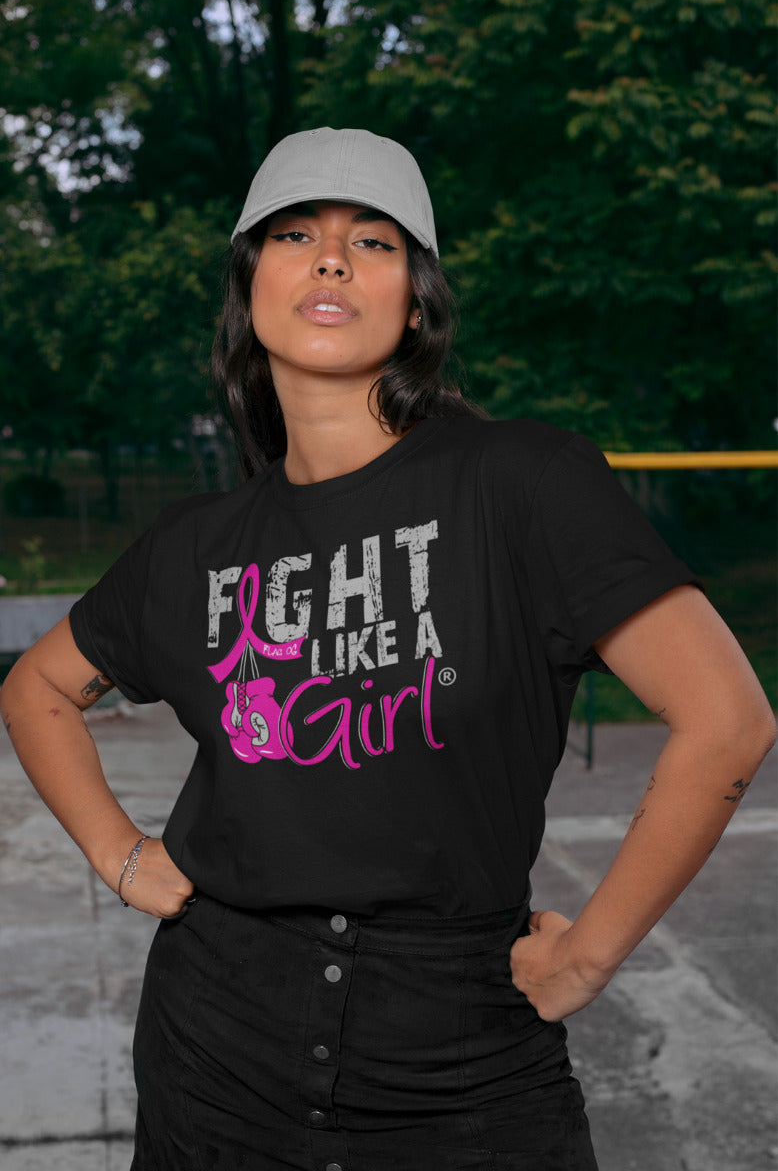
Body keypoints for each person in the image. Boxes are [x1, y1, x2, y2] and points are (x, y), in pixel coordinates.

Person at [1, 127, 774, 1171]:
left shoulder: (524, 484)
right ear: (250, 287)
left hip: (460, 1060)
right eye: (295, 233)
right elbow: (37, 687)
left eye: (373, 240)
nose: (331, 257)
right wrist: (118, 852)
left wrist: (587, 958)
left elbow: (726, 722)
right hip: (213, 1053)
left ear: (416, 299)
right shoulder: (191, 547)